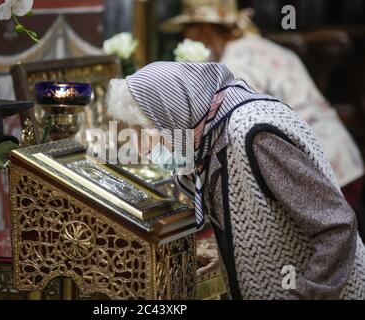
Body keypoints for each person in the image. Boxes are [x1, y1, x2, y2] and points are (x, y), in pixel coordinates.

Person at [106, 61, 365, 299]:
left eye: (148, 132)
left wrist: (307, 294)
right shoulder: (213, 132)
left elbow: (336, 226)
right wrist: (232, 255)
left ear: (172, 115)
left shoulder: (253, 133)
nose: (144, 148)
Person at [162, 0, 365, 216]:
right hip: (339, 160)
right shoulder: (254, 45)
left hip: (320, 169)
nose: (185, 38)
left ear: (204, 29)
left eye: (188, 31)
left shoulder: (236, 62)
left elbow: (232, 127)